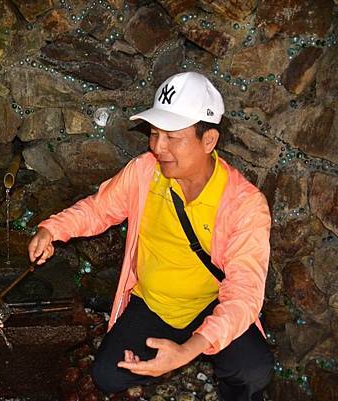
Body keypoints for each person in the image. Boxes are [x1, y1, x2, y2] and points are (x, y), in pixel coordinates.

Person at [28, 72, 274, 401]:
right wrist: (52, 229)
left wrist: (188, 350)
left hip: (209, 304)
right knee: (106, 375)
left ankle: (203, 365)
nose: (158, 147)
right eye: (155, 134)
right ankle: (167, 358)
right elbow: (100, 210)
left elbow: (243, 296)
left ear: (209, 140)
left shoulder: (245, 204)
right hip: (153, 304)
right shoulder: (146, 171)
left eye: (172, 137)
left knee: (253, 371)